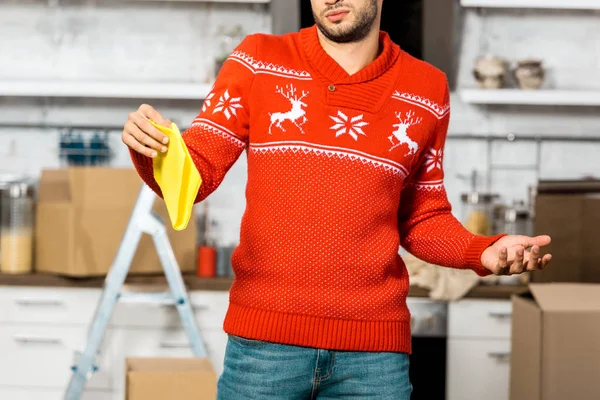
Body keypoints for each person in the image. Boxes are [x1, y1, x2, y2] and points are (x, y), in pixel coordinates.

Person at [122, 0, 552, 398]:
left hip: (374, 360)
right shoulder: (257, 60)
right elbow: (194, 175)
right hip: (263, 351)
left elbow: (423, 218)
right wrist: (153, 150)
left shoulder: (428, 89)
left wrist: (484, 250)